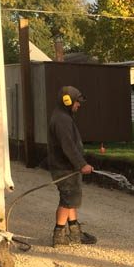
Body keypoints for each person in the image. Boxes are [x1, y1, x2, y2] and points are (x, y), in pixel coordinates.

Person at [47, 85, 97, 246]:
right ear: (67, 101)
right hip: (64, 167)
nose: (78, 105)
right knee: (67, 199)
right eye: (76, 102)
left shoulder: (63, 116)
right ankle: (59, 236)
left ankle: (75, 233)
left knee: (72, 198)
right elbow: (67, 146)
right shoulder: (61, 119)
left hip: (69, 167)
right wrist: (82, 164)